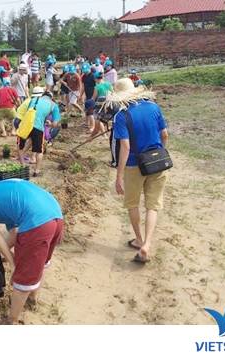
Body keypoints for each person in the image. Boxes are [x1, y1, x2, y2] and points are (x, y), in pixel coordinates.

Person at [0, 179, 64, 324]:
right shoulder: (2, 196)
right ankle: (32, 300)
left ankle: (11, 321)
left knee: (22, 278)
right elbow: (14, 231)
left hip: (38, 221)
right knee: (38, 264)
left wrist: (13, 263)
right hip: (55, 214)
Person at [109, 78, 168, 264]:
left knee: (132, 203)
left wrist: (119, 176)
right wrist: (161, 151)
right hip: (157, 163)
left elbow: (124, 147)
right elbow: (164, 134)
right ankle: (147, 244)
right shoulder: (153, 107)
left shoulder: (121, 116)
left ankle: (139, 239)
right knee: (152, 205)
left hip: (134, 165)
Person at [16, 87, 60, 176]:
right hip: (38, 127)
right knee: (39, 150)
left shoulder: (34, 100)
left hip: (26, 124)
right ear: (51, 98)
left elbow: (29, 112)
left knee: (20, 146)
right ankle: (37, 171)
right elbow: (55, 124)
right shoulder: (53, 105)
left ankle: (23, 167)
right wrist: (50, 124)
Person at [80, 62, 96, 132]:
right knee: (87, 110)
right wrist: (81, 95)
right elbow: (83, 86)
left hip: (93, 96)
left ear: (89, 69)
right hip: (87, 95)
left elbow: (97, 86)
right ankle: (87, 123)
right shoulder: (84, 76)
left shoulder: (93, 76)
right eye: (84, 71)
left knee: (91, 112)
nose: (85, 72)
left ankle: (92, 127)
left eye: (86, 71)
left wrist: (93, 97)